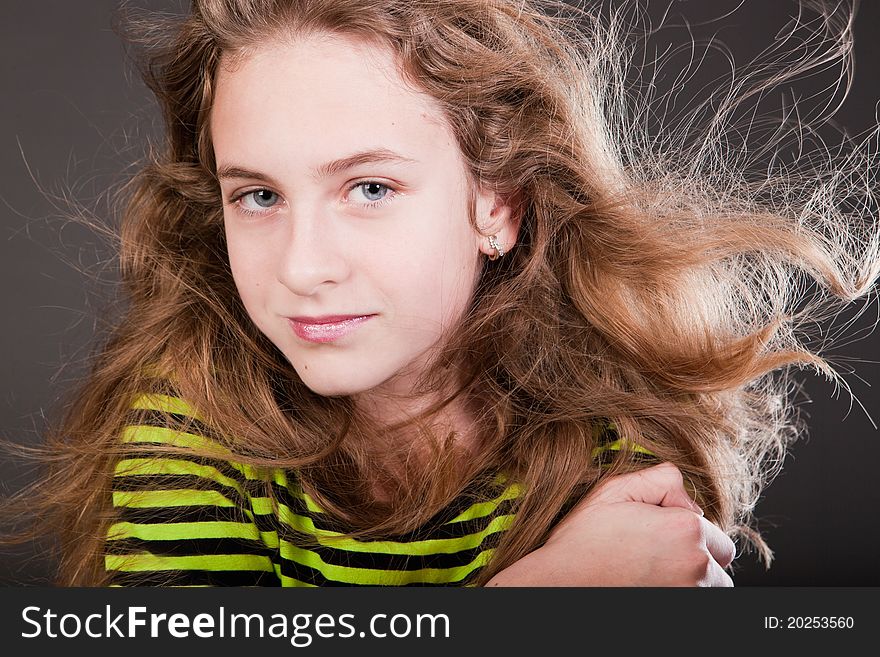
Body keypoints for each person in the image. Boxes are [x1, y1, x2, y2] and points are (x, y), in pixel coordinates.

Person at [4, 0, 877, 587]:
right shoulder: (195, 414)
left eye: (370, 188)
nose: (303, 266)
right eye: (259, 195)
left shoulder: (609, 444)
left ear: (495, 204)